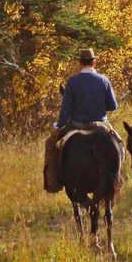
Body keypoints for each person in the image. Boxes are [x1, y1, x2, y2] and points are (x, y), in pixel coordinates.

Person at [43, 48, 119, 193]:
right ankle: (119, 176)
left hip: (77, 124)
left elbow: (65, 111)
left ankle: (53, 184)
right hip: (100, 125)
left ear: (80, 63)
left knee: (51, 143)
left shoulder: (72, 82)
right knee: (119, 145)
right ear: (94, 62)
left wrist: (59, 126)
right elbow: (113, 106)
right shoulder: (104, 80)